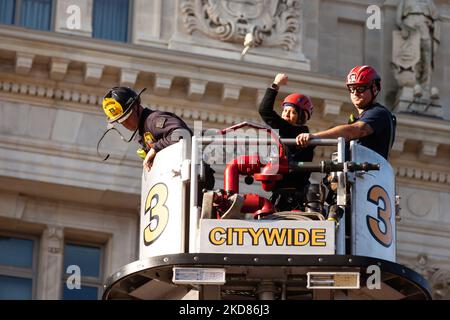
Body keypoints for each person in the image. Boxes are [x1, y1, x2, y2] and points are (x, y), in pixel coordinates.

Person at [296, 65, 396, 160]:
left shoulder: (379, 113)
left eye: (360, 88)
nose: (355, 93)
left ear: (374, 89)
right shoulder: (361, 117)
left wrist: (314, 136)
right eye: (352, 89)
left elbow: (355, 130)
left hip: (370, 175)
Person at [258, 73, 315, 211]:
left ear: (301, 117)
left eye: (292, 112)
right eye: (285, 111)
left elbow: (265, 111)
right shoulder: (292, 135)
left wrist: (275, 85)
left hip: (290, 198)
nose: (286, 115)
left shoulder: (295, 132)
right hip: (288, 195)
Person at [101, 87, 193, 171]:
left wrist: (155, 148)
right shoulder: (143, 131)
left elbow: (183, 134)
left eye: (126, 117)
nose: (124, 123)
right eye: (119, 120)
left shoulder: (153, 120)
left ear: (136, 106)